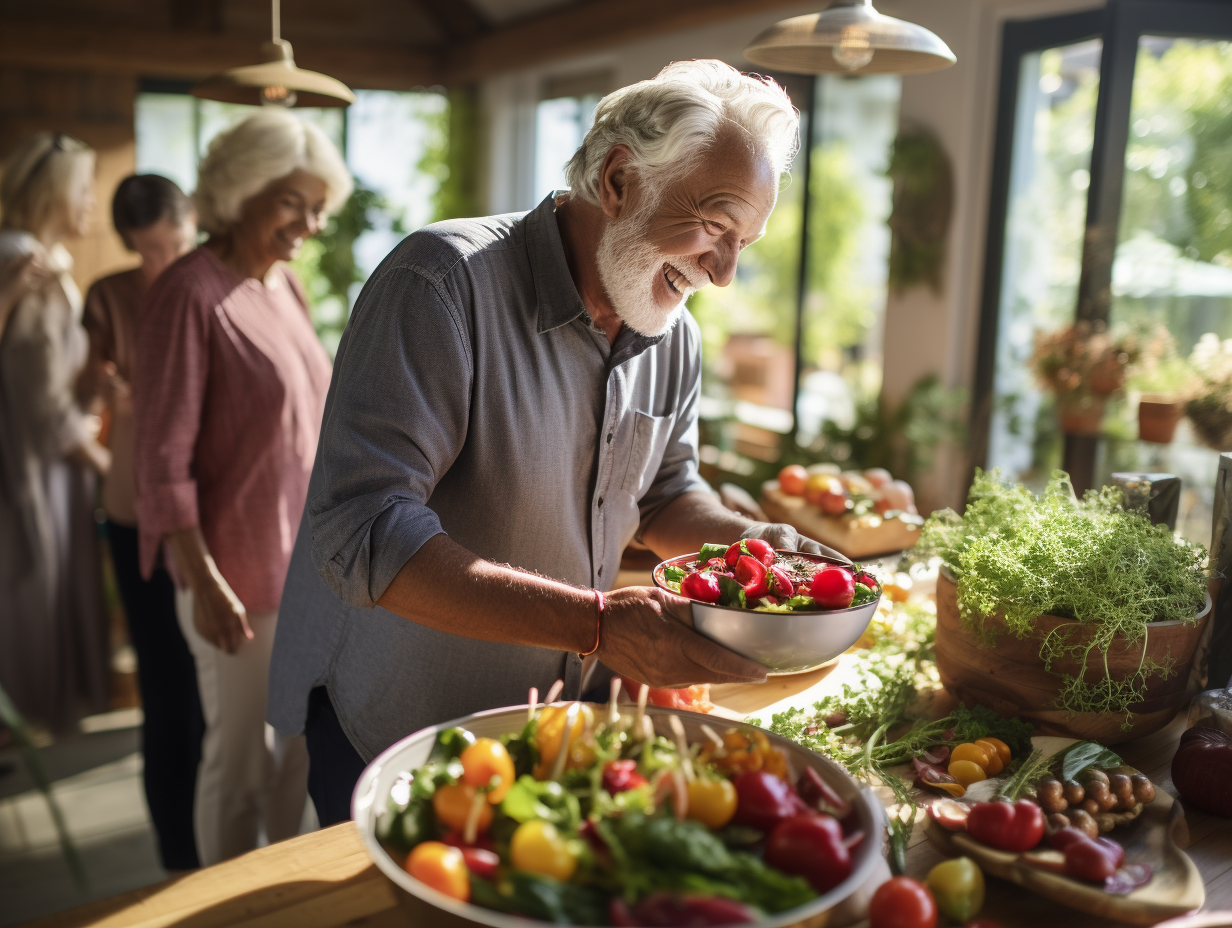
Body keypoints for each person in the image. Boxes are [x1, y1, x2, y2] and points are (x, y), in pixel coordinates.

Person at [269, 60, 838, 826]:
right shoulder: (441, 284)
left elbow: (666, 492)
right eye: (714, 224)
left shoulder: (674, 336)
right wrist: (599, 624)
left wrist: (756, 544)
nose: (725, 272)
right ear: (617, 181)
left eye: (746, 241)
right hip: (401, 728)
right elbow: (363, 532)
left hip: (557, 725)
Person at [132, 110, 351, 865]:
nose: (310, 224)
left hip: (303, 569)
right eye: (294, 201)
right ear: (240, 188)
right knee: (239, 762)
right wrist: (204, 580)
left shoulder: (281, 285)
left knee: (296, 750)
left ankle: (276, 888)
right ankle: (219, 905)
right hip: (233, 575)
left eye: (319, 206)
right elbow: (159, 460)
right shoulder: (185, 294)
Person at [81, 174, 203, 871]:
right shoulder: (108, 297)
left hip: (205, 512)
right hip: (133, 508)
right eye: (145, 251)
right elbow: (74, 390)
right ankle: (177, 854)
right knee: (163, 683)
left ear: (192, 224)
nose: (161, 263)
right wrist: (105, 393)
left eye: (173, 244)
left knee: (208, 685)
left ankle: (218, 838)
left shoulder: (208, 288)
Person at [0, 132, 111, 731]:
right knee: (29, 585)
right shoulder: (27, 264)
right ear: (54, 192)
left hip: (45, 456)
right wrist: (103, 462)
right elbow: (40, 399)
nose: (93, 200)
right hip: (34, 465)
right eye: (84, 187)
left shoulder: (40, 262)